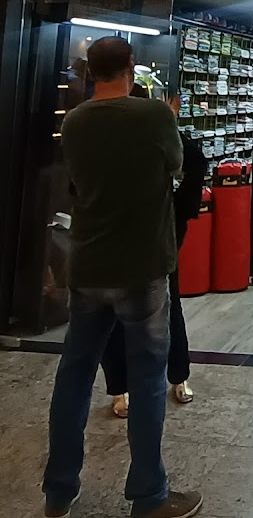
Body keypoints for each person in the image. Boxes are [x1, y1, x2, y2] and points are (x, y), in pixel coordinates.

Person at [42, 36, 202, 518]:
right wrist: (168, 119)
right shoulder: (152, 115)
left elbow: (80, 181)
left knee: (74, 374)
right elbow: (176, 164)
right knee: (148, 376)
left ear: (90, 72)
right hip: (142, 265)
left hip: (88, 264)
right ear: (131, 67)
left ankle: (58, 490)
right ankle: (149, 494)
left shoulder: (75, 121)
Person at [101, 117, 207, 416]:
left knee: (167, 306)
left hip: (156, 229)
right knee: (116, 309)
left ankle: (177, 375)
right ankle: (121, 387)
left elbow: (196, 161)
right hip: (117, 229)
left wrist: (180, 212)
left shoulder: (157, 129)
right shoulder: (103, 129)